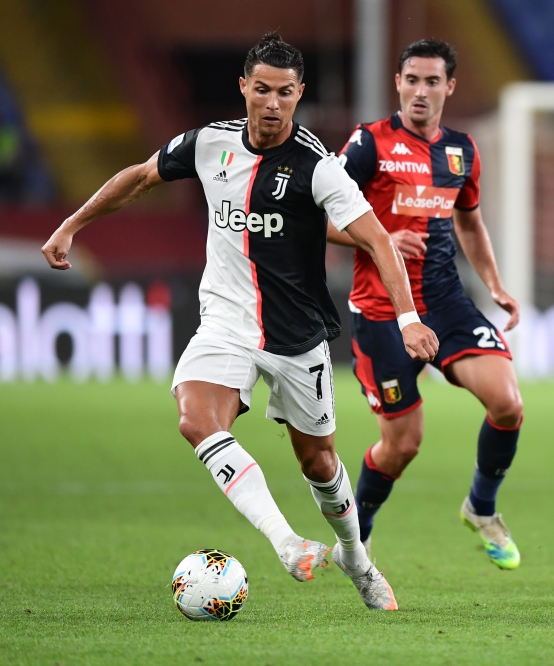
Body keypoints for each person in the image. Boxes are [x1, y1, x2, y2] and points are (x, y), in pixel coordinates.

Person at [40, 33, 439, 611]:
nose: (272, 103)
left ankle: (356, 557)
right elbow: (141, 176)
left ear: (299, 93)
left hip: (296, 335)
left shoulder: (317, 166)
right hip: (224, 322)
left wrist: (407, 320)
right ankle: (285, 542)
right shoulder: (209, 143)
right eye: (262, 90)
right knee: (195, 419)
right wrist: (71, 225)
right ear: (243, 88)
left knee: (319, 461)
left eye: (285, 92)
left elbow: (377, 239)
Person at [326, 39, 524, 569]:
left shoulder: (462, 150)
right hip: (383, 311)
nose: (420, 90)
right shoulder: (369, 143)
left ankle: (481, 507)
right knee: (402, 446)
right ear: (397, 82)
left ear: (448, 86)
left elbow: (470, 222)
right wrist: (381, 237)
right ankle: (357, 537)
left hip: (445, 302)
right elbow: (319, 218)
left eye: (432, 81)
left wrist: (495, 284)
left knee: (508, 403)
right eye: (411, 79)